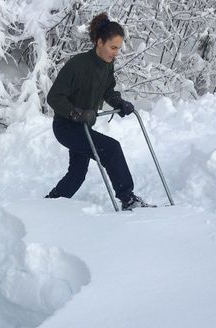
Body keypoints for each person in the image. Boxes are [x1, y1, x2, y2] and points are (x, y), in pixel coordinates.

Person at [46, 12, 152, 210]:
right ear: (100, 42)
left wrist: (118, 102)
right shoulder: (77, 65)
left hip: (83, 127)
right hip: (66, 126)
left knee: (77, 174)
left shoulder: (107, 66)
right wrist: (77, 113)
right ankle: (128, 199)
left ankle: (49, 204)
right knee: (111, 149)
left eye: (118, 48)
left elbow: (107, 90)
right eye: (113, 47)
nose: (116, 53)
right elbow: (54, 97)